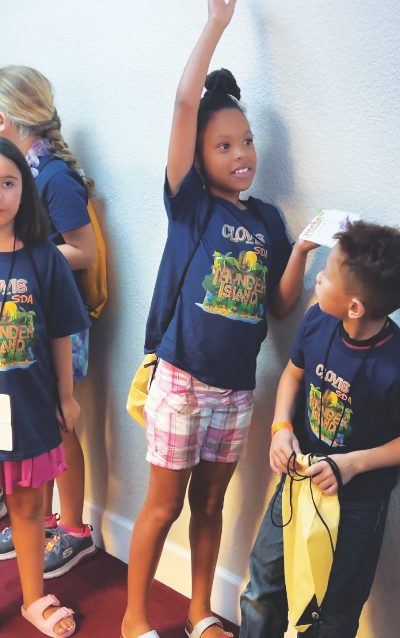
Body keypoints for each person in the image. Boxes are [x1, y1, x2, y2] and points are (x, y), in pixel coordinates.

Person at [121, 2, 317, 638]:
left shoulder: (266, 222)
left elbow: (281, 305)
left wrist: (305, 253)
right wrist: (217, 24)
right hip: (180, 381)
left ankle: (200, 610)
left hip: (236, 390)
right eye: (224, 145)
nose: (241, 154)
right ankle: (132, 619)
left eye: (248, 142)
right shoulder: (191, 205)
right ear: (198, 154)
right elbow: (184, 104)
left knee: (210, 505)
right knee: (163, 506)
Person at [240, 221, 400, 638]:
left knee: (330, 613)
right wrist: (280, 429)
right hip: (299, 483)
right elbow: (294, 374)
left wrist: (350, 464)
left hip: (356, 506)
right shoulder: (317, 321)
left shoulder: (394, 366)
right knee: (263, 585)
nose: (320, 278)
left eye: (328, 274)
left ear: (355, 307)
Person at [0, 65, 97, 576]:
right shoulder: (24, 168)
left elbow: (86, 250)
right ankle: (25, 511)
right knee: (23, 419)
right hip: (24, 317)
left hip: (56, 318)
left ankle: (75, 527)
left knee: (59, 422)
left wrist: (32, 258)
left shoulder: (53, 176)